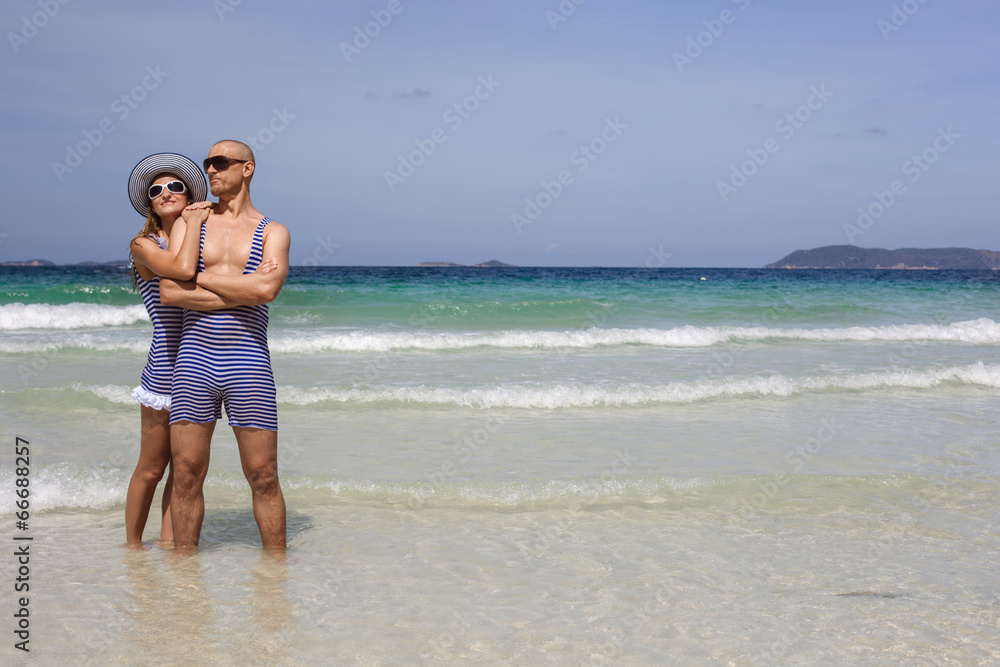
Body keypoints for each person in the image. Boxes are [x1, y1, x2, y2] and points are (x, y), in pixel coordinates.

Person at [160, 140, 291, 551]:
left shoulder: (273, 231)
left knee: (264, 474)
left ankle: (276, 578)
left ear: (247, 168)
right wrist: (245, 289)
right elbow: (170, 290)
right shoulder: (189, 221)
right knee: (185, 474)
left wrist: (197, 280)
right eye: (207, 164)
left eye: (220, 163)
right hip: (194, 360)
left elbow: (268, 290)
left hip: (248, 360)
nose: (210, 171)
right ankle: (185, 579)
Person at [125, 153, 209, 548]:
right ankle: (132, 549)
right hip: (164, 367)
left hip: (199, 363)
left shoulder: (204, 235)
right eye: (156, 190)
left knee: (186, 469)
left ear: (189, 193)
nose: (165, 193)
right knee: (153, 467)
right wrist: (193, 222)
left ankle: (169, 542)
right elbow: (180, 270)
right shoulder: (143, 243)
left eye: (175, 186)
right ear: (149, 203)